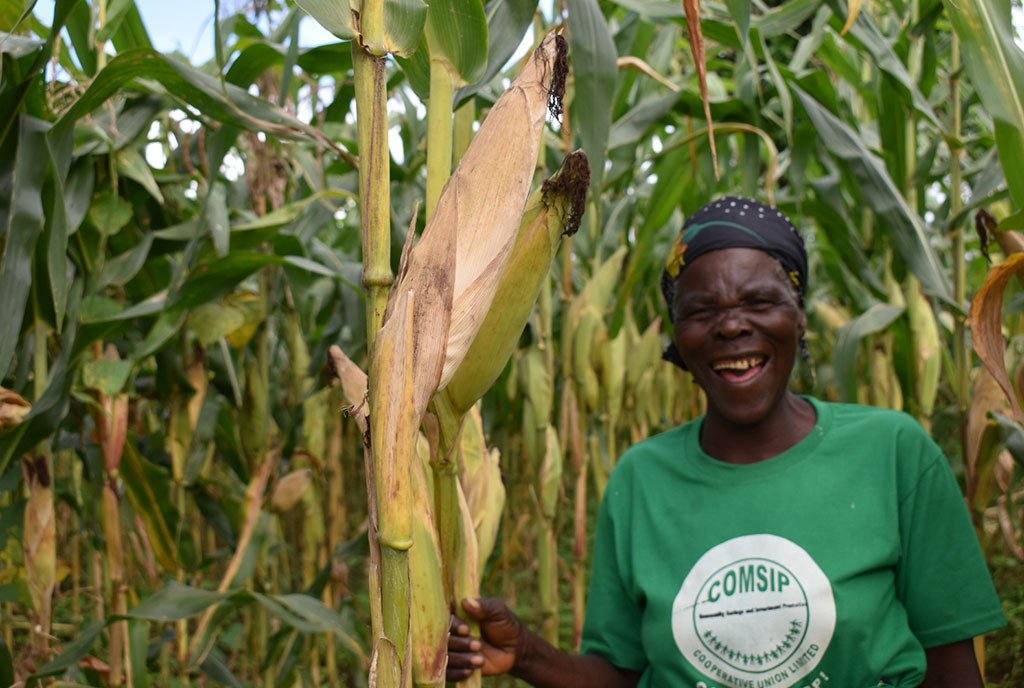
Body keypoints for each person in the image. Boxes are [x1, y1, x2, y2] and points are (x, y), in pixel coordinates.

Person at [446, 196, 1006, 688]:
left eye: (759, 302)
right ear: (677, 335)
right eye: (702, 310)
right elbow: (620, 675)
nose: (731, 326)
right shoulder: (641, 478)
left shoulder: (893, 454)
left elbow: (953, 672)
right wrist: (526, 653)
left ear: (799, 316)